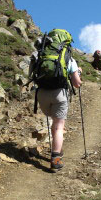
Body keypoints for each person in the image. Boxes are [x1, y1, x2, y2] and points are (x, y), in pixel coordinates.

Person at [30, 29, 82, 172]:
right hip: (59, 94)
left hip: (41, 95)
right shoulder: (69, 58)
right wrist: (78, 74)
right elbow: (77, 84)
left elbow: (31, 75)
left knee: (53, 122)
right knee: (59, 127)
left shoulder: (40, 54)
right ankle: (56, 159)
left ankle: (56, 148)